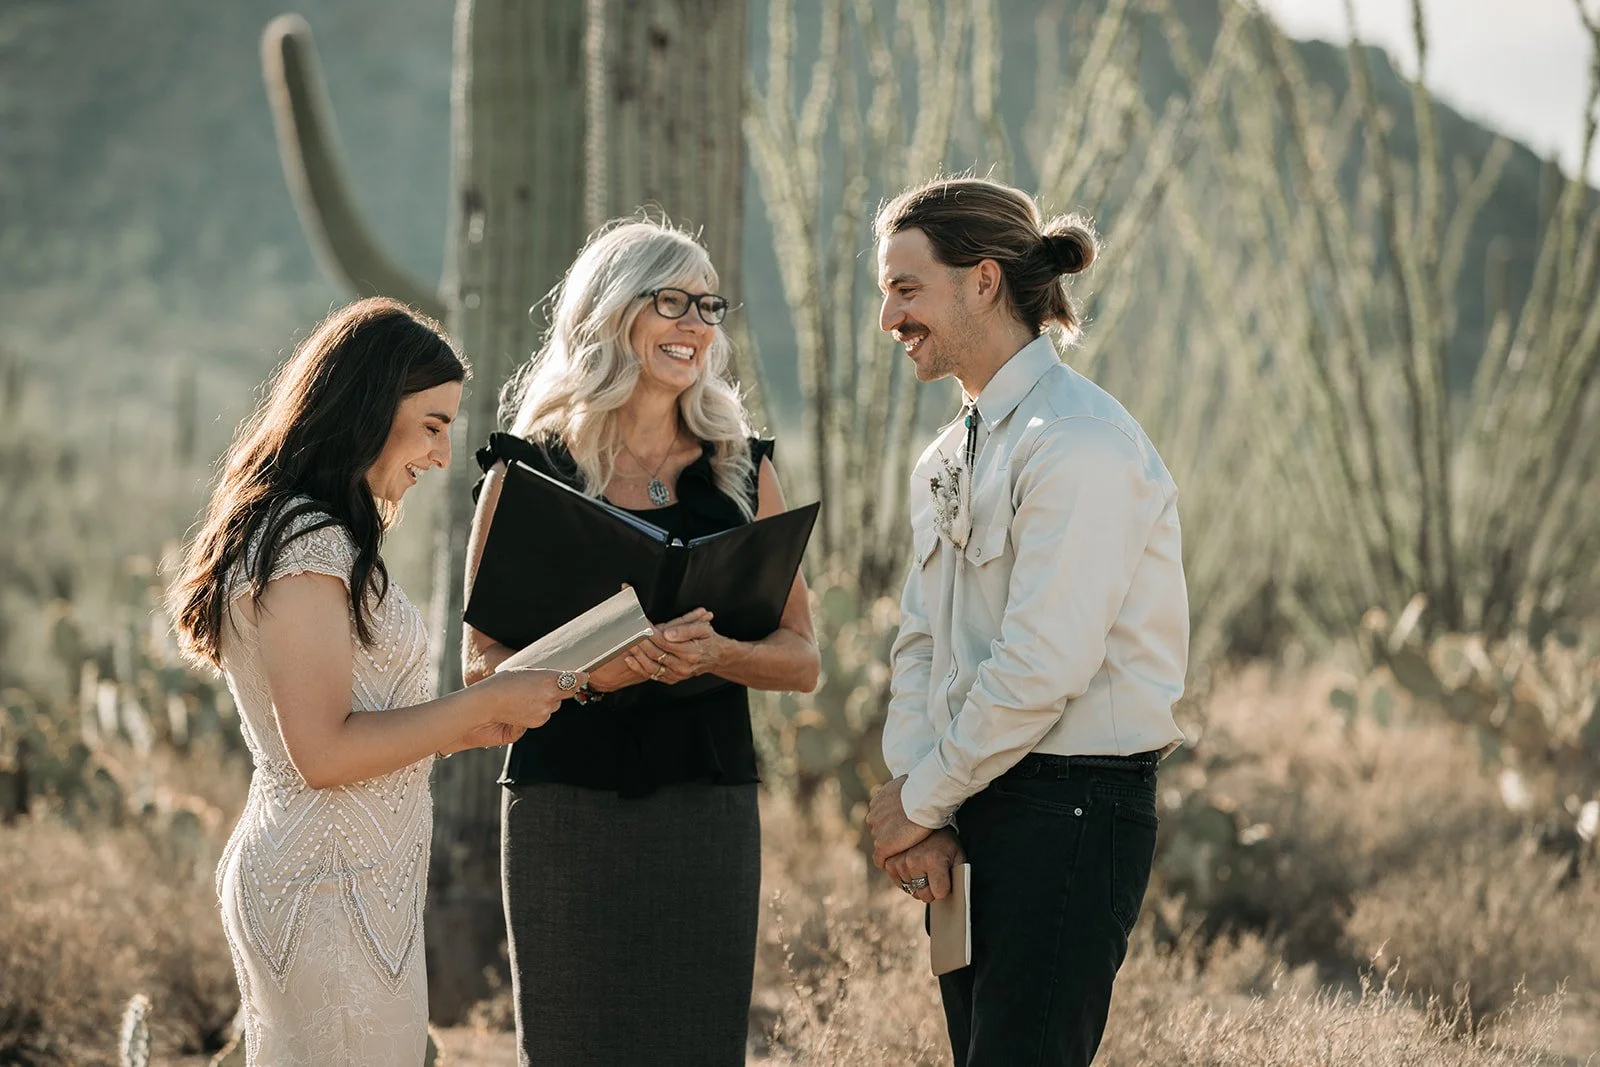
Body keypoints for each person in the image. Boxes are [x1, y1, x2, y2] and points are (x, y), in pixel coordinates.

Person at [169, 297, 582, 1066]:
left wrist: (471, 726)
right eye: (431, 425)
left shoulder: (321, 534)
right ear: (366, 406)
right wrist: (481, 701)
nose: (441, 454)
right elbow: (322, 753)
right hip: (324, 892)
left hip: (356, 884)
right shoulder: (306, 542)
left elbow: (363, 730)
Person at [463, 218, 820, 1066]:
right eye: (672, 301)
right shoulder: (527, 471)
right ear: (611, 312)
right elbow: (480, 667)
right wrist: (596, 674)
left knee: (697, 1046)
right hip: (563, 811)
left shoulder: (741, 470)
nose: (697, 324)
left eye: (708, 305)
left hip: (707, 808)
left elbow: (802, 657)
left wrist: (717, 654)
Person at [863, 177, 1189, 1066]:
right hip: (973, 798)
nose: (889, 316)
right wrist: (921, 805)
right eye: (885, 291)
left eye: (906, 287)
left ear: (983, 280)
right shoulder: (948, 453)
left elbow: (1044, 664)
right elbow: (921, 641)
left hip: (1072, 808)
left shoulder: (1078, 442)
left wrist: (920, 797)